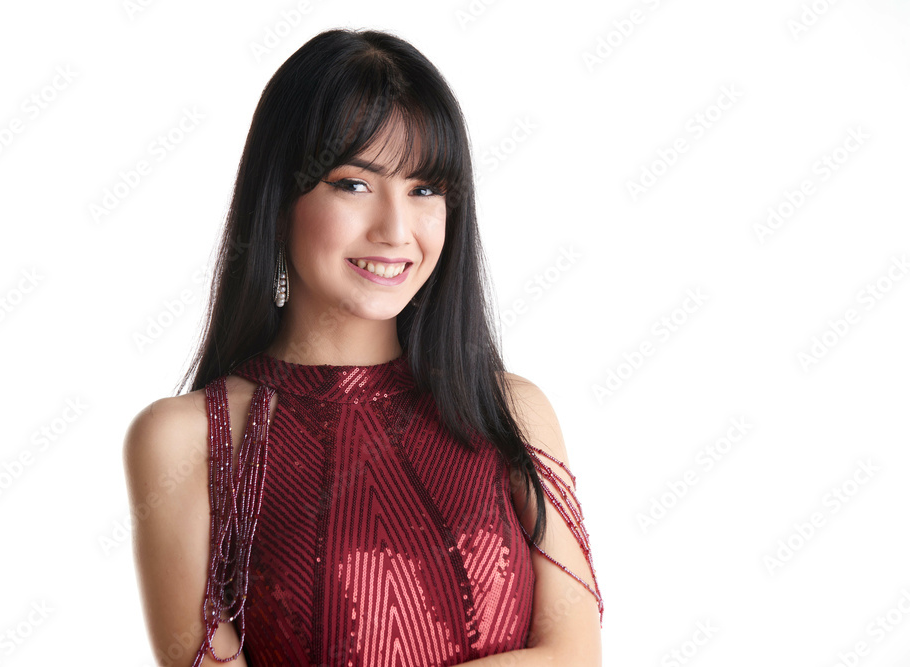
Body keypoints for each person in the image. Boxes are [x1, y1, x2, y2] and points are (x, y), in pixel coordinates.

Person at [123, 27, 603, 667]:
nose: (395, 230)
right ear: (280, 198)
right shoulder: (191, 440)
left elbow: (574, 654)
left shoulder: (509, 410)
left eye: (425, 189)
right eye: (354, 183)